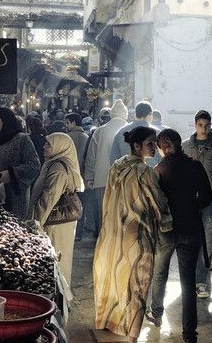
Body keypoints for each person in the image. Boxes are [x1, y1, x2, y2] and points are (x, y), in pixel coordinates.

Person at [93, 126, 172, 343]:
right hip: (138, 237)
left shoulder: (117, 167)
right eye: (150, 143)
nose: (154, 147)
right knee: (138, 287)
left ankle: (110, 322)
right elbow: (159, 204)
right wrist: (168, 225)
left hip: (114, 234)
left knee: (115, 280)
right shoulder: (144, 172)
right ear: (137, 146)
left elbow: (107, 202)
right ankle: (132, 342)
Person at [148, 129, 212, 343]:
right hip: (191, 229)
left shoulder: (159, 170)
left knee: (160, 273)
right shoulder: (195, 167)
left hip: (167, 231)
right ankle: (189, 335)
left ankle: (156, 314)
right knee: (187, 283)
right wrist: (191, 206)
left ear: (163, 147)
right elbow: (207, 198)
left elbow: (155, 203)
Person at [182, 109, 212, 298]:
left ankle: (201, 280)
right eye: (200, 125)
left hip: (211, 197)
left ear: (210, 125)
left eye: (207, 125)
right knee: (189, 238)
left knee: (208, 238)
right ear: (195, 125)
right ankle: (189, 278)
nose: (203, 129)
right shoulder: (185, 146)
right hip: (189, 198)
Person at [28, 133, 83, 287]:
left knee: (57, 259)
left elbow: (48, 199)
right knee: (60, 259)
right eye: (45, 143)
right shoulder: (55, 163)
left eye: (49, 144)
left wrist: (35, 223)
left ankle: (59, 297)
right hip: (60, 222)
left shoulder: (58, 168)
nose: (44, 146)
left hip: (55, 223)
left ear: (60, 147)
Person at [84, 99, 129, 238]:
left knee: (102, 213)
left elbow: (91, 157)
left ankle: (101, 242)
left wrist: (89, 177)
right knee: (121, 213)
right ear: (125, 115)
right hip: (124, 181)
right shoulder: (131, 130)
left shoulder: (100, 131)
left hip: (101, 180)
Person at [110, 100, 160, 166]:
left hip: (126, 173)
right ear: (150, 114)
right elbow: (162, 157)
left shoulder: (122, 131)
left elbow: (113, 158)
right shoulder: (156, 132)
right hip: (150, 173)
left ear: (136, 114)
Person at [66, 112, 89, 241]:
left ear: (73, 123)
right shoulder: (86, 137)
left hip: (69, 177)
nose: (67, 125)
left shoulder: (67, 137)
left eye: (67, 123)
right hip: (83, 178)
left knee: (68, 204)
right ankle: (79, 233)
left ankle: (69, 230)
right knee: (80, 205)